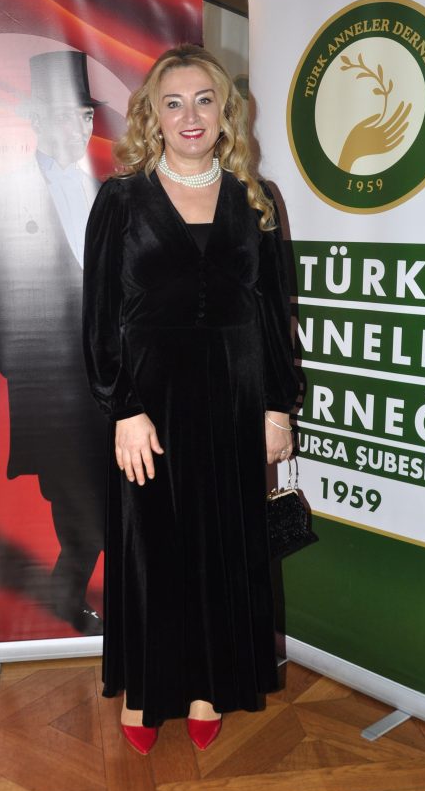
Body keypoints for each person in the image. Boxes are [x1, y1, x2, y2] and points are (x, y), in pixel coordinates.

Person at [82, 44, 299, 753]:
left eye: (204, 99)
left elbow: (273, 312)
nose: (190, 115)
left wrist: (277, 406)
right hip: (150, 400)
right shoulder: (121, 199)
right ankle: (146, 692)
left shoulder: (256, 198)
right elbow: (99, 316)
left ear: (225, 110)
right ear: (153, 115)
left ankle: (208, 685)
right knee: (151, 547)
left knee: (222, 547)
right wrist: (122, 408)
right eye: (172, 103)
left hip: (236, 396)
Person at [0, 50, 108, 635]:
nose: (77, 127)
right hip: (52, 388)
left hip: (120, 383)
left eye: (84, 115)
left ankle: (73, 594)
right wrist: (11, 349)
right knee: (81, 503)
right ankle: (66, 596)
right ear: (35, 118)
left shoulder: (113, 194)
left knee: (121, 494)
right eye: (62, 114)